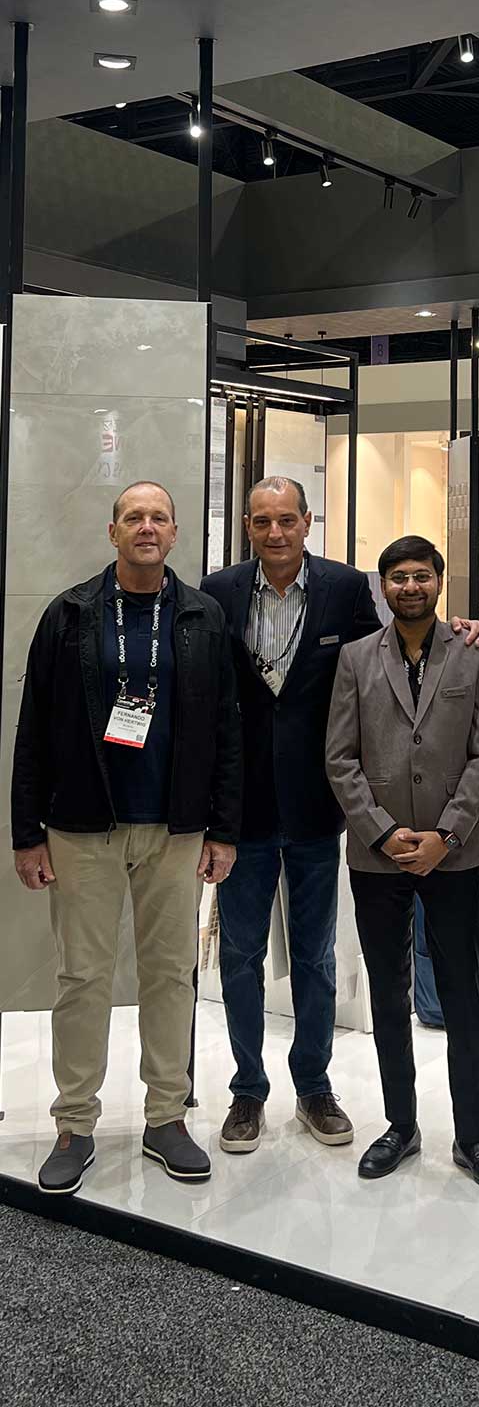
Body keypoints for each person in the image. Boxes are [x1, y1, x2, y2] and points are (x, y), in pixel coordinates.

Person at [203, 477, 479, 1158]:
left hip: (317, 807)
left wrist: (464, 628)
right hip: (242, 809)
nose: (276, 533)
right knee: (239, 956)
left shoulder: (342, 588)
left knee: (316, 955)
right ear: (248, 525)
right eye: (263, 521)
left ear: (308, 522)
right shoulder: (218, 593)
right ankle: (248, 1090)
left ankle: (314, 1086)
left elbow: (391, 660)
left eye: (287, 520)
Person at [11, 481, 241, 1195]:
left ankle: (166, 1117)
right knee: (82, 977)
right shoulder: (70, 614)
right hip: (83, 827)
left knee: (171, 975)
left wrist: (224, 828)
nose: (146, 527)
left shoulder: (202, 616)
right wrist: (26, 833)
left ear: (175, 534)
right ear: (113, 532)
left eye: (158, 518)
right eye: (133, 517)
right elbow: (32, 725)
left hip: (175, 827)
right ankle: (74, 1124)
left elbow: (227, 727)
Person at [326, 534, 479, 1193]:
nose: (410, 587)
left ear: (439, 581)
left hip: (452, 855)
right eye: (398, 577)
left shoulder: (473, 653)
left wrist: (447, 835)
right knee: (388, 992)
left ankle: (472, 1137)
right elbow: (339, 758)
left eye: (421, 576)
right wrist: (381, 833)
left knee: (462, 995)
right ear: (383, 587)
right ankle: (400, 1126)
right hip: (377, 856)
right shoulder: (355, 658)